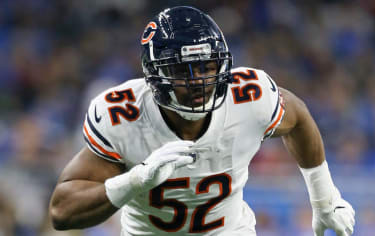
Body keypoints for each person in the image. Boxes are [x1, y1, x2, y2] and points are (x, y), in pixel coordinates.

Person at [49, 6, 355, 236]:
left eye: (207, 67)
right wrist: (136, 180)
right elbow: (61, 211)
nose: (199, 82)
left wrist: (325, 199)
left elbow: (299, 117)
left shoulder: (248, 96)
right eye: (183, 72)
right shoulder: (124, 116)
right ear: (155, 75)